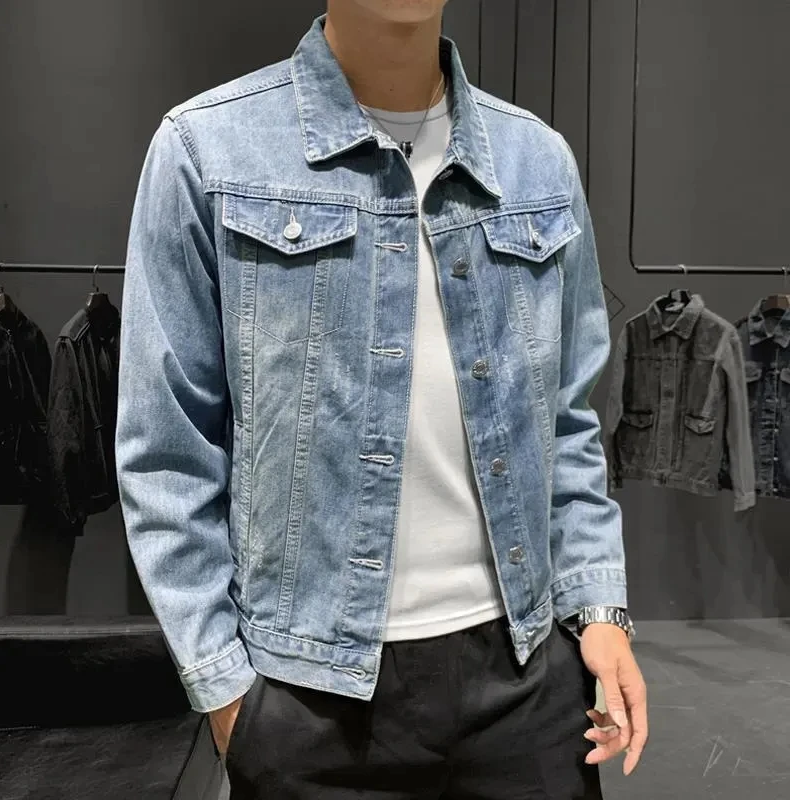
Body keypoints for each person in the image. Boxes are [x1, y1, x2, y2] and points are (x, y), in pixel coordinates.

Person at [115, 1, 649, 797]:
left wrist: (598, 607)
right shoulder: (207, 149)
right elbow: (167, 450)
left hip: (527, 681)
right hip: (308, 700)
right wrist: (229, 697)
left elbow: (567, 421)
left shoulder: (536, 161)